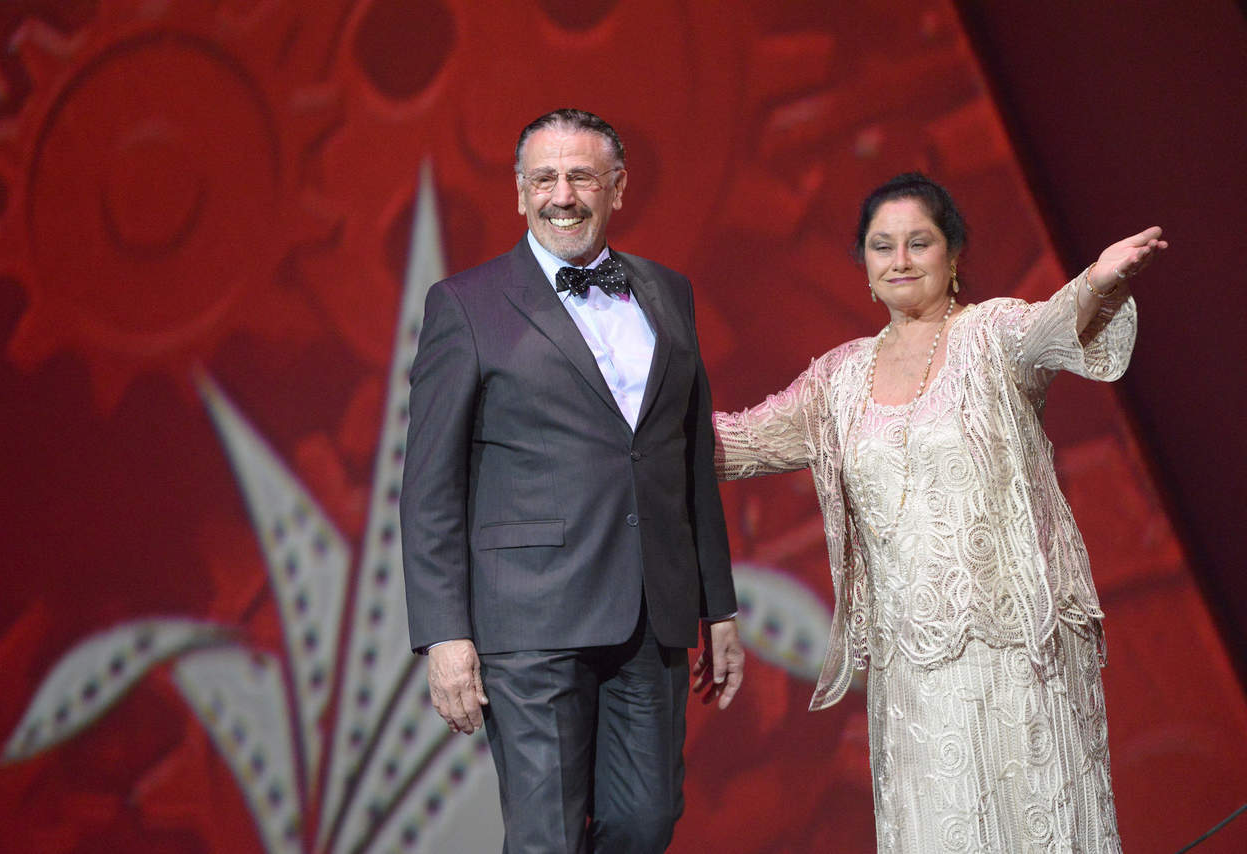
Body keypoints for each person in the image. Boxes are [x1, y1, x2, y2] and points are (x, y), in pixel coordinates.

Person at [712, 173, 1165, 853]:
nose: (899, 260)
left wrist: (1098, 280)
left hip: (1016, 648)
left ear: (952, 255)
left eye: (918, 243)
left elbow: (1052, 327)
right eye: (881, 246)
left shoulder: (990, 334)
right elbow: (739, 442)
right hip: (916, 673)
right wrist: (622, 420)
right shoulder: (837, 379)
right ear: (864, 265)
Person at [401, 108, 744, 853]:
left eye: (582, 176)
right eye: (545, 178)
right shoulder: (465, 305)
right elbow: (429, 485)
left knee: (646, 821)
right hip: (529, 621)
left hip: (651, 612)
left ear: (617, 188)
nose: (564, 195)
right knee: (547, 838)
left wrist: (716, 602)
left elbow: (687, 456)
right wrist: (444, 636)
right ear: (519, 192)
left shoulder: (667, 293)